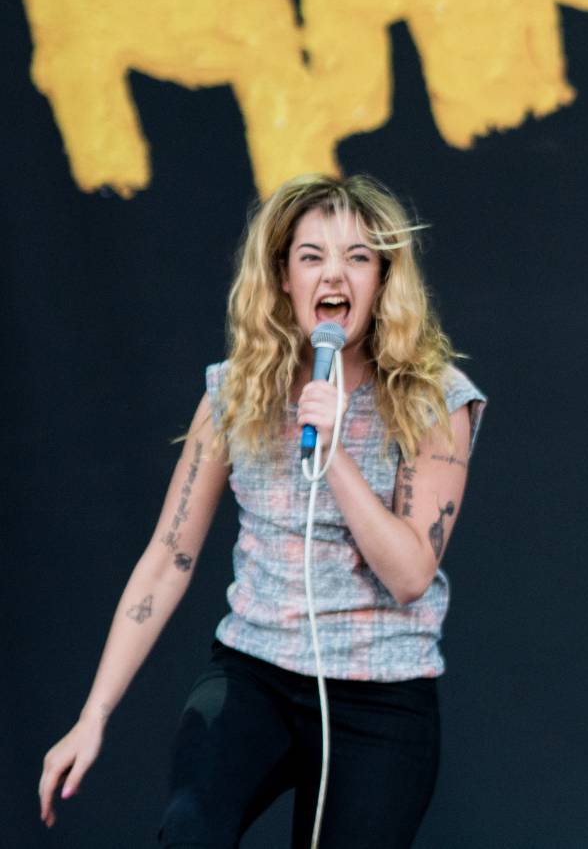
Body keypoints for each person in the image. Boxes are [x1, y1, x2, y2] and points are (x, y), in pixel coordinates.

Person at [37, 174, 487, 848]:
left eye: (358, 258)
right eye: (313, 257)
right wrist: (93, 714)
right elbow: (168, 558)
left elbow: (410, 576)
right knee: (191, 829)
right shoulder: (235, 394)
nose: (334, 274)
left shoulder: (434, 402)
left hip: (381, 694)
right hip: (256, 672)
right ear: (283, 276)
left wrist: (332, 453)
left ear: (383, 279)